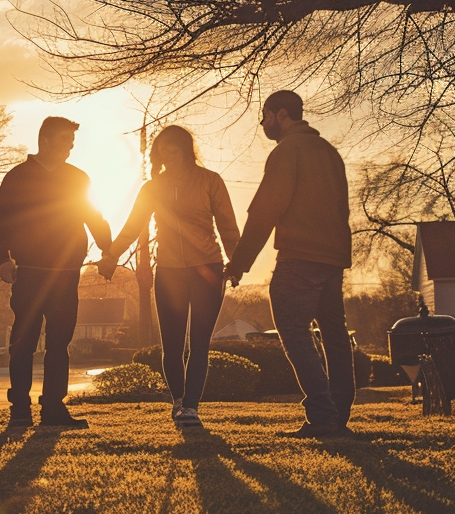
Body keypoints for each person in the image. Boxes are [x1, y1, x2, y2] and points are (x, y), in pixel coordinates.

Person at [223, 91, 354, 437]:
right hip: (333, 258)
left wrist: (238, 263)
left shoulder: (287, 151)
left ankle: (322, 415)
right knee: (334, 334)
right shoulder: (329, 153)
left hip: (300, 256)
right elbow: (342, 209)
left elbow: (266, 209)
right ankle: (338, 415)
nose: (263, 124)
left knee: (294, 331)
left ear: (281, 115)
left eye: (264, 116)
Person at [106, 125, 239, 430]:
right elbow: (132, 226)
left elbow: (229, 227)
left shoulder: (210, 181)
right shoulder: (152, 188)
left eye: (173, 148)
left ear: (186, 148)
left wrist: (238, 263)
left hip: (207, 268)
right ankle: (178, 401)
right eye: (162, 149)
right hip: (168, 272)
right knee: (172, 345)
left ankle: (191, 408)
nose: (167, 154)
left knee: (200, 343)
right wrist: (112, 255)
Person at [0, 116, 112, 429]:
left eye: (72, 142)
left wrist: (108, 249)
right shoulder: (17, 177)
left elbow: (92, 216)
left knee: (59, 343)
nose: (70, 147)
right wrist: (2, 260)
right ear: (45, 140)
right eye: (64, 141)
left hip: (65, 274)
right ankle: (19, 411)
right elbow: (1, 221)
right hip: (28, 273)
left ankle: (53, 411)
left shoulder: (78, 178)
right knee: (23, 342)